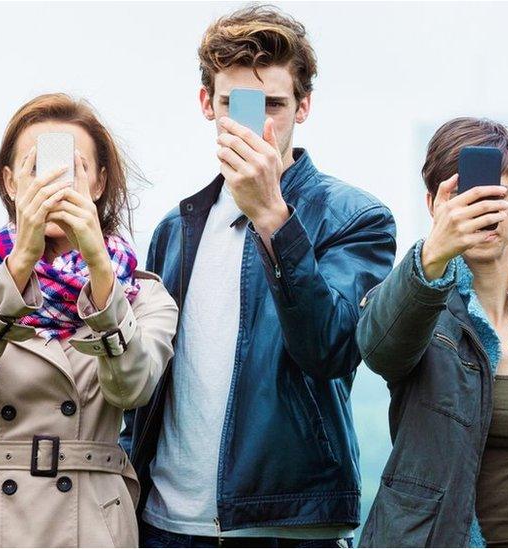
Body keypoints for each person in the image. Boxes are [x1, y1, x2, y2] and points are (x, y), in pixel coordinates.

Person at [119, 5, 397, 548]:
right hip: (163, 523)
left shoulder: (358, 218)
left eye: (275, 104)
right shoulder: (175, 229)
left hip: (286, 525)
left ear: (305, 106)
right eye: (236, 104)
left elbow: (330, 350)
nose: (258, 123)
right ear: (207, 104)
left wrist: (273, 216)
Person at [0, 93, 178, 547]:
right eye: (37, 167)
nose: (55, 181)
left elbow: (132, 388)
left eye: (73, 168)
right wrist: (21, 260)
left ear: (98, 183)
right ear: (10, 182)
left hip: (92, 522)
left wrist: (102, 272)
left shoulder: (143, 295)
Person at [356, 117, 508, 547]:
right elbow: (379, 351)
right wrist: (433, 254)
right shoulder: (413, 306)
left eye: (494, 195)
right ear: (433, 204)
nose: (480, 209)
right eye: (462, 197)